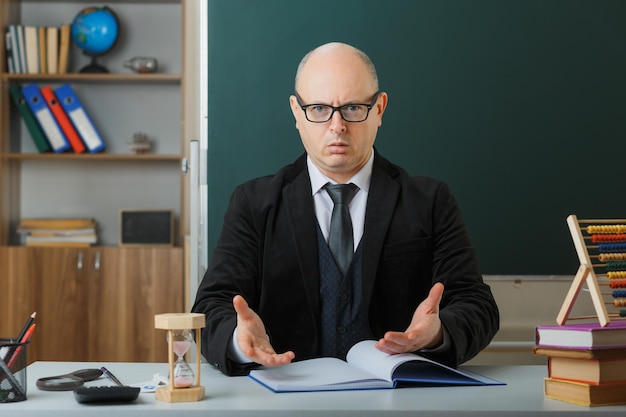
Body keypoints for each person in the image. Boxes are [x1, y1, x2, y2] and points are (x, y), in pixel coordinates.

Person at [192, 42, 499, 376]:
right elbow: (211, 307)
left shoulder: (429, 201)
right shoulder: (253, 204)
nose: (337, 125)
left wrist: (437, 333)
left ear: (379, 109)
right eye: (320, 109)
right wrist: (239, 340)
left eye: (353, 108)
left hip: (397, 401)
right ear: (297, 112)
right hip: (284, 400)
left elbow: (477, 305)